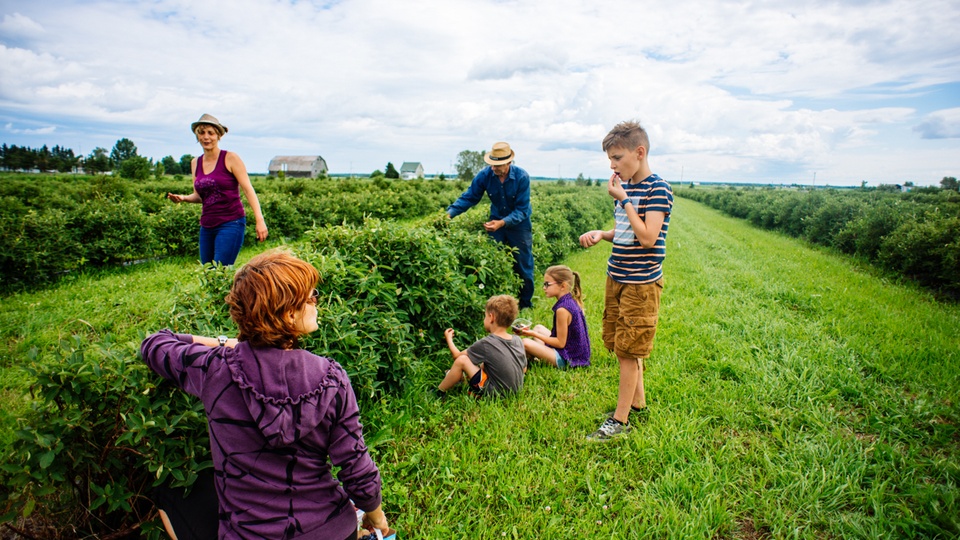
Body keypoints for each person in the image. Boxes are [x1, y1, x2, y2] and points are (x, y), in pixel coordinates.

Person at [141, 249, 389, 539]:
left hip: (248, 533)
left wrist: (227, 343)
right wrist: (377, 518)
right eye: (311, 297)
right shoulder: (331, 378)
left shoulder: (214, 369)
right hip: (330, 529)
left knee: (175, 497)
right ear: (288, 313)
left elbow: (155, 344)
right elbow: (356, 470)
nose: (317, 303)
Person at [578, 120, 673, 441]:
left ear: (640, 152)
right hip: (615, 277)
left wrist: (624, 199)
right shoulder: (627, 187)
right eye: (610, 160)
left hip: (640, 284)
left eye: (617, 158)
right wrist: (601, 234)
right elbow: (626, 232)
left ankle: (619, 421)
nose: (613, 165)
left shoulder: (657, 189)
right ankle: (638, 402)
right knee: (619, 342)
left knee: (628, 352)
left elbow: (647, 237)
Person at [167, 114, 268, 266]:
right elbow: (200, 196)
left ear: (218, 136)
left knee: (221, 271)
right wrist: (183, 198)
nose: (206, 137)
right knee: (208, 273)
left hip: (231, 223)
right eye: (202, 133)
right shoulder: (196, 162)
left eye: (210, 133)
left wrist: (259, 221)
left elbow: (248, 190)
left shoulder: (230, 158)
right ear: (197, 136)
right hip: (207, 225)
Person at [447, 142, 534, 309]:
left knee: (523, 263)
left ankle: (525, 304)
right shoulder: (485, 175)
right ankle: (497, 302)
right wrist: (448, 214)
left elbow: (522, 210)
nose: (493, 168)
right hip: (496, 220)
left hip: (519, 225)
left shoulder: (522, 177)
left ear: (508, 163)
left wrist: (502, 223)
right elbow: (470, 197)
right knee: (492, 260)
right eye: (492, 164)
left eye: (498, 165)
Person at [436, 294, 527, 399]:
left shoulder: (486, 344)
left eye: (485, 316)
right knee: (485, 363)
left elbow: (457, 357)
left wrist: (449, 339)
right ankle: (460, 379)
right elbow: (523, 369)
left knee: (462, 361)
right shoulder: (517, 340)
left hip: (496, 395)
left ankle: (439, 391)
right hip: (515, 391)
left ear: (491, 317)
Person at [515, 265, 591, 369]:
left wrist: (533, 334)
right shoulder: (570, 300)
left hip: (568, 359)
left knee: (525, 343)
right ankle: (538, 355)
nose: (544, 288)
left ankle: (533, 359)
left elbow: (560, 343)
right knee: (538, 328)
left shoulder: (562, 310)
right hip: (572, 351)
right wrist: (536, 332)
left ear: (562, 286)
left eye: (547, 284)